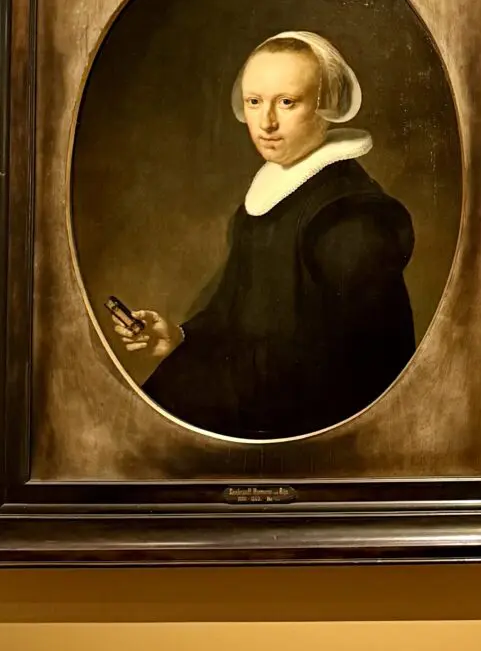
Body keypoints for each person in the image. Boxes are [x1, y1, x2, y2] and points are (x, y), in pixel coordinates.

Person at [110, 29, 416, 439]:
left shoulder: (348, 217)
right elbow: (237, 307)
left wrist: (215, 375)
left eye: (287, 102)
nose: (267, 122)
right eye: (254, 102)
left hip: (305, 425)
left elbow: (357, 366)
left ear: (326, 106)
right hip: (252, 393)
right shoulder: (275, 189)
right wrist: (181, 338)